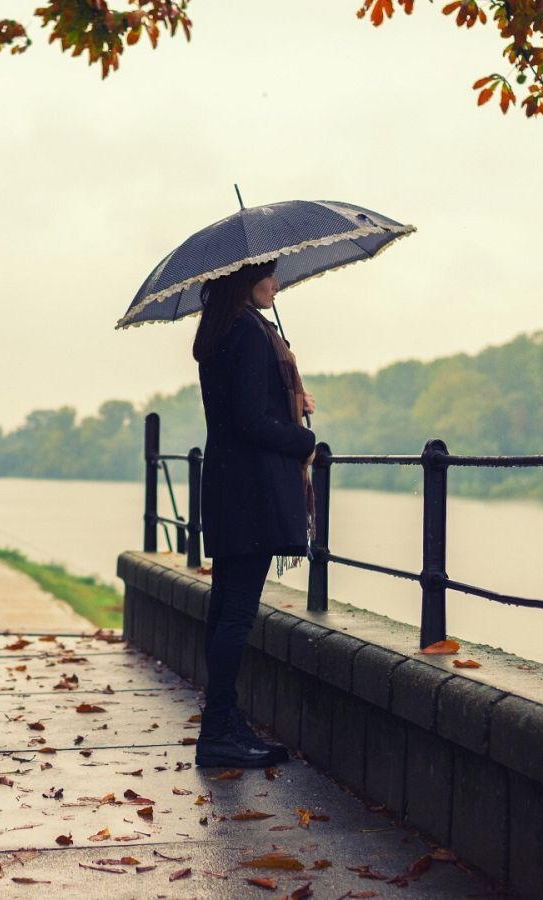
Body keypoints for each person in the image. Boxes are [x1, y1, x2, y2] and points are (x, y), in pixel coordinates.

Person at [190, 260, 317, 768]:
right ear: (245, 279)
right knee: (235, 613)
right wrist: (303, 437)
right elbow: (248, 419)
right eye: (270, 275)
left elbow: (243, 405)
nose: (277, 284)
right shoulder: (246, 330)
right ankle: (219, 730)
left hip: (228, 486)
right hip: (251, 492)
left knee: (225, 608)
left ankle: (223, 721)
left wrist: (291, 399)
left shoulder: (223, 328)